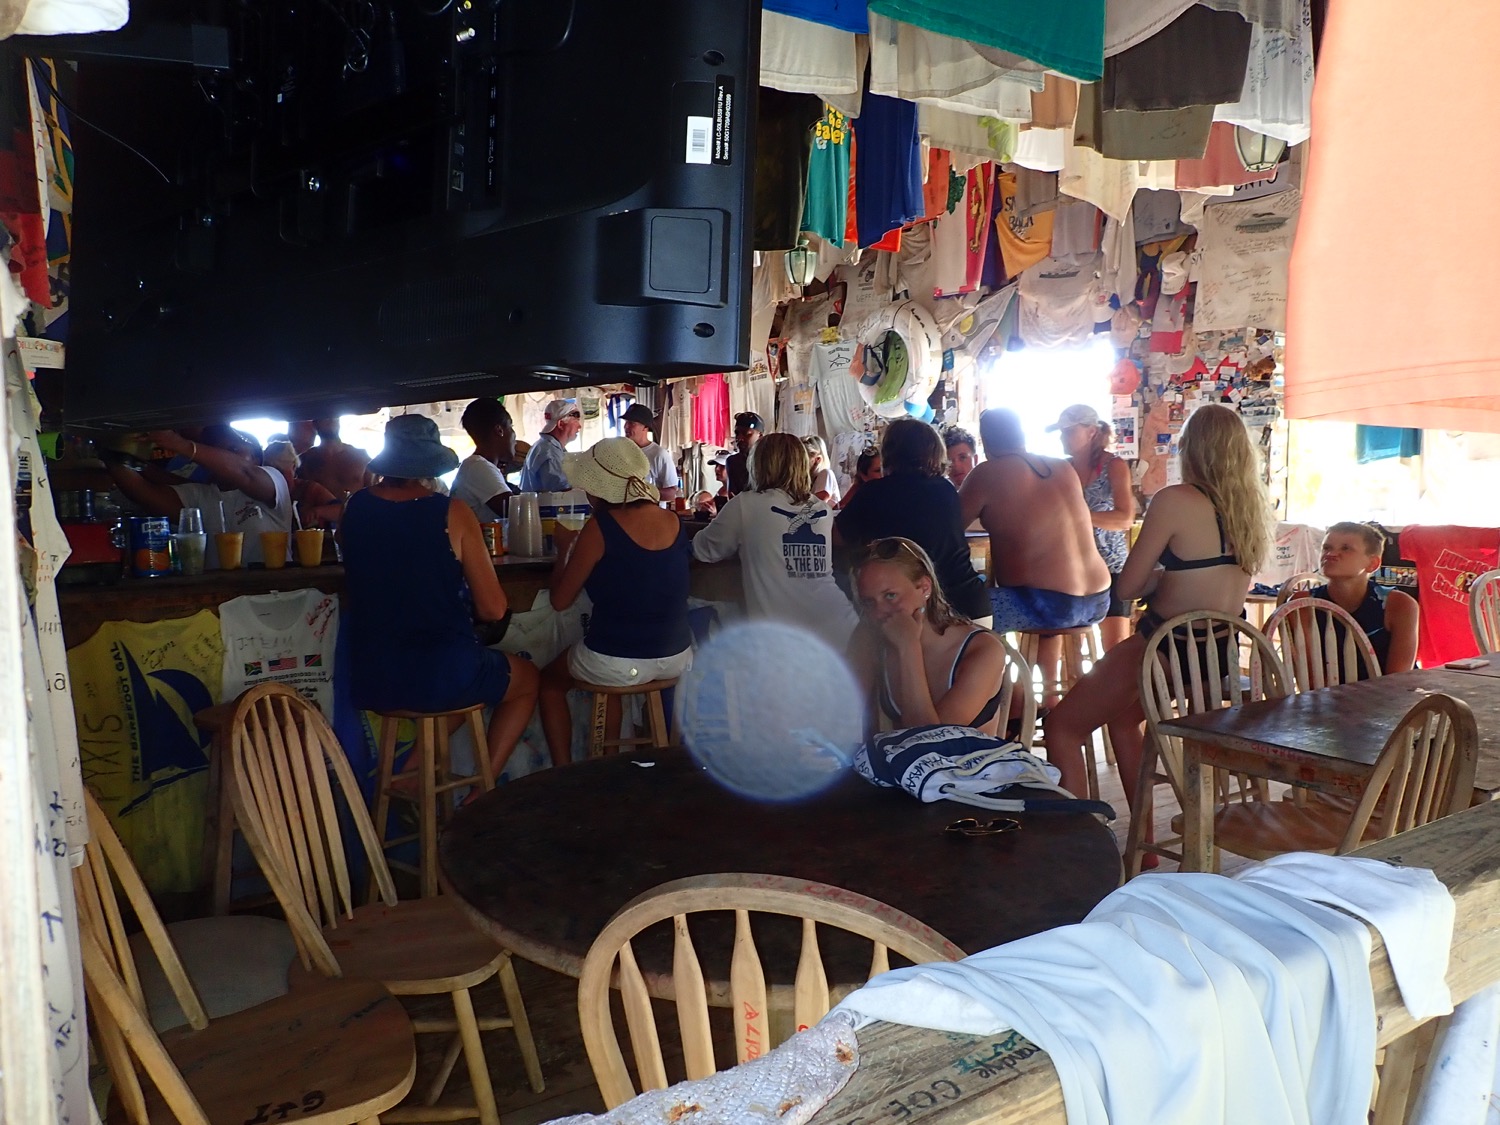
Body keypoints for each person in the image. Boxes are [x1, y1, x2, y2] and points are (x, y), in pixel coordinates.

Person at [1044, 403, 1273, 802]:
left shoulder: (1175, 500)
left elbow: (1127, 588)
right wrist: (1177, 578)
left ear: (1191, 449)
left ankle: (1079, 833)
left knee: (1061, 726)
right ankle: (1142, 836)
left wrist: (1163, 580)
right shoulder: (1250, 506)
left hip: (1165, 647)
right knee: (1122, 721)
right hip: (1218, 652)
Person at [340, 415, 539, 777]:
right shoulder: (451, 512)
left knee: (459, 678)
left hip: (374, 675)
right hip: (442, 673)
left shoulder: (356, 507)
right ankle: (482, 789)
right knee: (524, 679)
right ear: (430, 463)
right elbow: (494, 609)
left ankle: (411, 770)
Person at [539, 438, 693, 766]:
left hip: (617, 661)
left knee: (550, 681)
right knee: (612, 673)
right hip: (677, 656)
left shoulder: (599, 528)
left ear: (598, 489)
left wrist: (564, 550)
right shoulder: (674, 521)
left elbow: (560, 601)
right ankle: (611, 761)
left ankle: (563, 773)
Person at [692, 433, 858, 651]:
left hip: (785, 641)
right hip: (844, 628)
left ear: (758, 464)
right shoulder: (821, 509)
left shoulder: (746, 505)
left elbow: (702, 550)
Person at [960, 408, 1111, 635]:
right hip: (1100, 600)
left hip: (1046, 605)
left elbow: (947, 528)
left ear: (985, 442)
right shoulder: (1063, 467)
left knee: (953, 609)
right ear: (1022, 436)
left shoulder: (986, 473)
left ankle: (986, 661)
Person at [847, 537, 1010, 737]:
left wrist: (908, 648)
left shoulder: (983, 649)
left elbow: (931, 739)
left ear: (925, 588)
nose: (879, 612)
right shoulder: (870, 636)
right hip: (903, 756)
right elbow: (847, 717)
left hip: (962, 757)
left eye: (890, 596)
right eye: (869, 602)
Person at [836, 418, 991, 626]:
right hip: (971, 606)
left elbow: (835, 539)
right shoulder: (946, 490)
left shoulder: (874, 493)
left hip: (916, 613)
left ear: (889, 453)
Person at [104, 425, 295, 568]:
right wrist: (109, 455)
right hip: (223, 599)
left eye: (233, 450)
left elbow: (244, 472)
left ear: (256, 459)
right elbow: (144, 492)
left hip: (274, 593)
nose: (222, 457)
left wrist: (178, 443)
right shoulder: (199, 495)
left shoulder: (273, 479)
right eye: (217, 452)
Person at [1054, 404, 1137, 650]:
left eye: (1069, 431)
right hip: (1073, 567)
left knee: (1115, 646)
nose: (1063, 437)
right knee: (1070, 646)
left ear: (1091, 432)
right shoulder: (1063, 469)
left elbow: (1125, 518)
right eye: (1061, 432)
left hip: (1111, 565)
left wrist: (1081, 517)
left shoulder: (1114, 465)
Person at [1290, 521, 1419, 677]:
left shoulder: (1399, 605)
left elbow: (1398, 679)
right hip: (1328, 691)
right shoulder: (1302, 603)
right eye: (1327, 547)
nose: (1331, 554)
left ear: (1373, 564)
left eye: (1346, 548)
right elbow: (1309, 678)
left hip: (1388, 691)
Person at [452, 397, 516, 521]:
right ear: (499, 430)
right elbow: (517, 511)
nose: (514, 435)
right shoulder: (478, 466)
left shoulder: (478, 466)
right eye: (511, 426)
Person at [264, 439, 342, 528]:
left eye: (281, 472)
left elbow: (341, 511)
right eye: (271, 473)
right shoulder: (262, 493)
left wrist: (318, 511)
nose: (277, 478)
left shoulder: (309, 489)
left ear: (293, 467)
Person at [297, 417, 372, 499]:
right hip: (318, 506)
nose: (330, 419)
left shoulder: (361, 456)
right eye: (325, 417)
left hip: (354, 507)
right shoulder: (303, 460)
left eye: (334, 416)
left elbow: (372, 494)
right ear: (315, 423)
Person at [519, 397, 582, 493]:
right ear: (561, 424)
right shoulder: (550, 453)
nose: (579, 426)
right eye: (576, 421)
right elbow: (562, 492)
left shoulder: (543, 446)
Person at [621, 402, 681, 504]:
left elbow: (671, 493)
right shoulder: (621, 451)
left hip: (651, 512)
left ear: (645, 427)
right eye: (626, 422)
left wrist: (643, 492)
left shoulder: (659, 454)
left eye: (632, 423)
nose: (626, 426)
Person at [725, 411, 764, 496]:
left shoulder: (769, 461)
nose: (739, 438)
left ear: (760, 436)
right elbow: (732, 496)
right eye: (737, 433)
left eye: (746, 434)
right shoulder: (733, 462)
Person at [838, 445, 882, 510]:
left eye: (885, 469)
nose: (884, 474)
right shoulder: (859, 495)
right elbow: (839, 508)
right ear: (863, 475)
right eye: (878, 471)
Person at [802, 434, 842, 505]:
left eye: (803, 459)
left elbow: (818, 503)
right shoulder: (808, 480)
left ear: (817, 459)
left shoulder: (825, 474)